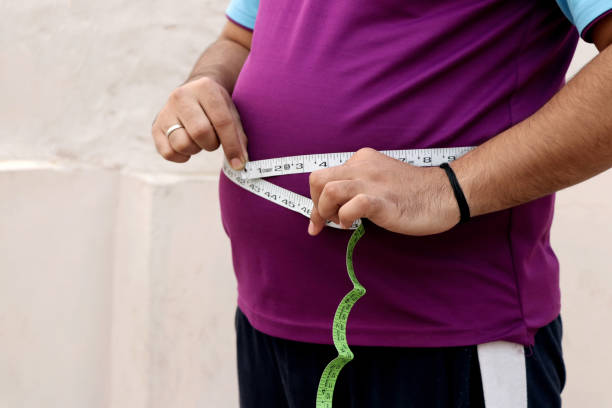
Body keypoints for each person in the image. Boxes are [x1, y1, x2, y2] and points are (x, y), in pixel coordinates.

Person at [151, 0, 612, 406]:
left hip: (442, 336)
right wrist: (206, 82)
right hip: (266, 322)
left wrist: (448, 187)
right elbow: (239, 37)